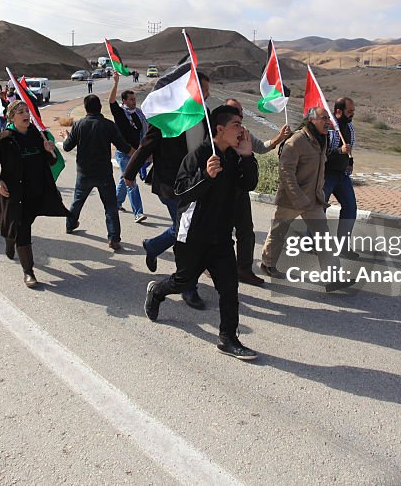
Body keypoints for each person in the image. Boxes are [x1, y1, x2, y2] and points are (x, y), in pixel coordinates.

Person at [144, 105, 260, 360]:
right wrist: (205, 176)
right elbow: (181, 192)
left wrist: (249, 157)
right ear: (220, 129)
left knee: (229, 289)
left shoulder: (235, 155)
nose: (242, 130)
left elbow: (248, 184)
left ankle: (227, 338)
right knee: (182, 281)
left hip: (220, 238)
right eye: (237, 125)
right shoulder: (199, 155)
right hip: (193, 236)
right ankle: (157, 292)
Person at [124, 72, 211, 310]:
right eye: (203, 90)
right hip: (172, 186)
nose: (208, 95)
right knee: (187, 234)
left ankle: (153, 246)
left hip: (198, 184)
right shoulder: (168, 116)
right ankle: (189, 287)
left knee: (183, 230)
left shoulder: (206, 115)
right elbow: (146, 145)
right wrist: (129, 173)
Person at [259, 106, 350, 291]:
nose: (328, 122)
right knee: (278, 233)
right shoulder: (296, 141)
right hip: (292, 199)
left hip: (313, 200)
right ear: (312, 120)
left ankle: (333, 278)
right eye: (323, 118)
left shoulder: (321, 140)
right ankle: (267, 264)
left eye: (328, 118)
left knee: (324, 238)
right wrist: (298, 198)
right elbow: (286, 172)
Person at [0, 100, 69, 288]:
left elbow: (50, 162)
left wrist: (50, 151)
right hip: (14, 193)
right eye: (21, 111)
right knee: (22, 228)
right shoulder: (3, 138)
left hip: (35, 191)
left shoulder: (37, 136)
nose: (26, 115)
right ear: (12, 117)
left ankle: (10, 237)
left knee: (22, 224)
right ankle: (28, 271)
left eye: (27, 111)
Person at [224, 98, 291, 286]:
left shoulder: (244, 133)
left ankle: (243, 270)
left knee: (246, 232)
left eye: (242, 112)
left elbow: (260, 147)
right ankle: (212, 266)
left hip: (241, 189)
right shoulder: (216, 133)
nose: (241, 115)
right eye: (237, 111)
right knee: (220, 233)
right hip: (220, 191)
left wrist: (279, 137)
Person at [62, 94, 134, 250]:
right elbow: (123, 146)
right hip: (104, 173)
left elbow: (67, 147)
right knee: (110, 206)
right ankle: (113, 238)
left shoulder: (78, 125)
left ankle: (70, 224)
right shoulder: (108, 125)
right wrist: (139, 155)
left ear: (86, 108)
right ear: (100, 108)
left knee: (77, 201)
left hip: (84, 172)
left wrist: (68, 137)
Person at [108, 73, 148, 223]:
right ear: (124, 101)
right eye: (130, 100)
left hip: (136, 153)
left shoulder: (138, 114)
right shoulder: (119, 113)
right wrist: (115, 83)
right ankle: (138, 213)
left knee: (124, 178)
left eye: (134, 99)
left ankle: (116, 203)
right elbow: (111, 101)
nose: (133, 102)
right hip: (123, 153)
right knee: (131, 180)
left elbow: (144, 132)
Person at [324, 97, 358, 258]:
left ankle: (343, 246)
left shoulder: (349, 127)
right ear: (338, 111)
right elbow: (322, 153)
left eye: (353, 111)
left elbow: (349, 149)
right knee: (319, 208)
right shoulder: (328, 127)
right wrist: (340, 151)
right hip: (326, 174)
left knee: (350, 207)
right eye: (349, 111)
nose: (352, 114)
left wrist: (350, 162)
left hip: (342, 175)